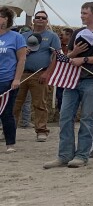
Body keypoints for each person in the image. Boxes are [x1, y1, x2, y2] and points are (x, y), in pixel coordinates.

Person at [43, 2, 93, 169]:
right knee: (65, 117)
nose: (82, 15)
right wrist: (73, 54)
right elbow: (67, 57)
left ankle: (82, 155)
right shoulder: (77, 32)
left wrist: (85, 59)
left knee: (87, 118)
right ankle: (64, 155)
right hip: (71, 79)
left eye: (85, 13)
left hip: (92, 80)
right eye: (81, 12)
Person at [13, 10, 61, 142]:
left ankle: (41, 131)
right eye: (37, 17)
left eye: (43, 18)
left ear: (46, 21)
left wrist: (47, 73)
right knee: (15, 103)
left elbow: (56, 56)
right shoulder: (23, 35)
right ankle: (10, 130)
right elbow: (14, 53)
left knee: (40, 103)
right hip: (22, 73)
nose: (40, 19)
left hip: (40, 73)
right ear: (33, 20)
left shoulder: (52, 36)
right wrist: (22, 53)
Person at [0, 6, 27, 153]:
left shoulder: (16, 37)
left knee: (6, 112)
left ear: (6, 19)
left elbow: (21, 60)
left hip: (7, 80)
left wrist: (17, 79)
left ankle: (10, 143)